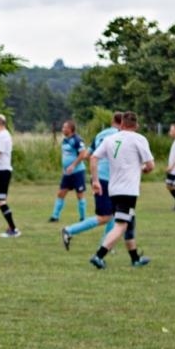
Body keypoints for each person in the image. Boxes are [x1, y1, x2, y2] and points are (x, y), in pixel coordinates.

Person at [88, 112, 154, 269]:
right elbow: (150, 166)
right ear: (136, 126)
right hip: (128, 190)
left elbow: (93, 158)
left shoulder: (110, 139)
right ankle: (99, 255)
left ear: (121, 124)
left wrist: (95, 181)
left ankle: (135, 259)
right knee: (121, 225)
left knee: (129, 222)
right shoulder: (139, 139)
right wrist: (143, 169)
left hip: (113, 188)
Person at [62, 111, 127, 247]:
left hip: (100, 176)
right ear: (123, 123)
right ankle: (70, 230)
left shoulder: (100, 134)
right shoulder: (121, 135)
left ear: (112, 121)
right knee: (104, 217)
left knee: (113, 214)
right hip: (108, 178)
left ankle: (105, 245)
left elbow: (88, 154)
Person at [48, 120, 89, 223]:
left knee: (79, 195)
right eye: (62, 127)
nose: (62, 129)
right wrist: (65, 168)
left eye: (64, 127)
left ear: (70, 129)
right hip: (67, 173)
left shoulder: (77, 140)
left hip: (78, 172)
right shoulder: (65, 140)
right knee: (61, 193)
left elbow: (83, 154)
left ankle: (83, 218)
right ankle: (55, 216)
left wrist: (73, 165)